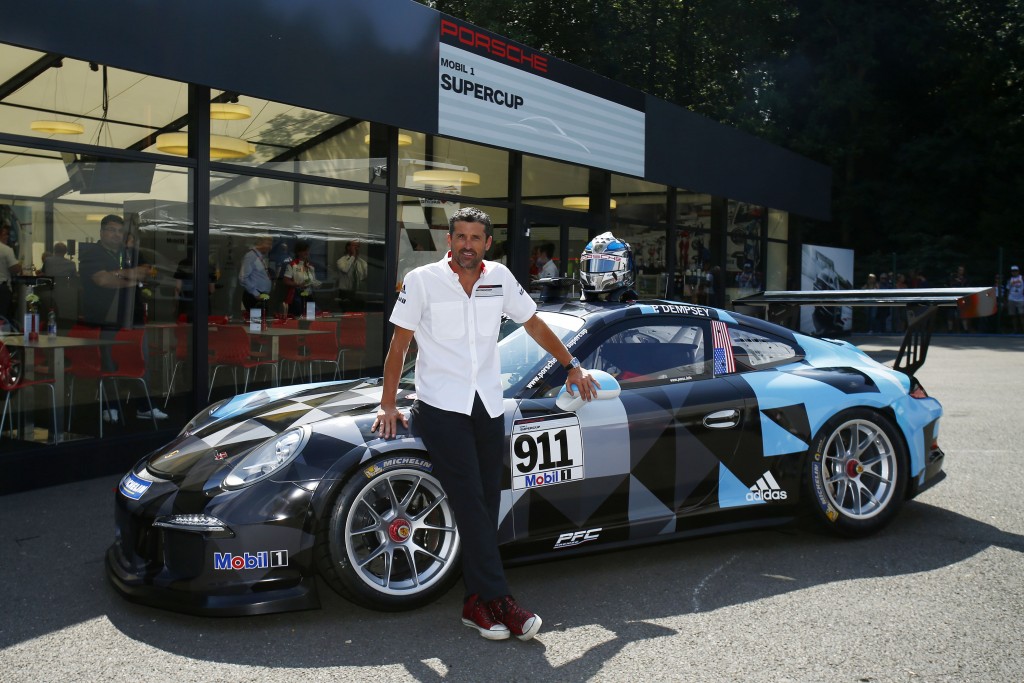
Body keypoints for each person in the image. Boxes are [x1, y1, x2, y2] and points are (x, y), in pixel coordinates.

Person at [373, 207, 599, 642]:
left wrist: (572, 365)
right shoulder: (422, 282)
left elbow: (533, 323)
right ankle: (501, 601)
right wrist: (387, 405)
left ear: (487, 243)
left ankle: (476, 603)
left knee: (486, 504)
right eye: (461, 237)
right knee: (471, 504)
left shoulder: (500, 278)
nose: (467, 245)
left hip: (487, 408)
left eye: (476, 238)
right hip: (440, 407)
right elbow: (399, 346)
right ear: (449, 241)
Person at [78, 214, 167, 421]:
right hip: (105, 320)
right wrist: (130, 277)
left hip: (133, 318)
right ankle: (111, 407)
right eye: (111, 230)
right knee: (109, 365)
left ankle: (144, 406)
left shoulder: (131, 252)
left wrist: (119, 274)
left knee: (139, 362)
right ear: (101, 232)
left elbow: (148, 272)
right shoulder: (92, 254)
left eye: (119, 231)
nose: (116, 234)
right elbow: (102, 280)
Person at [282, 240, 320, 316]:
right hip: (296, 296)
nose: (306, 253)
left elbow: (313, 280)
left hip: (309, 295)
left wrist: (316, 284)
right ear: (298, 252)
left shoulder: (310, 266)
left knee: (311, 316)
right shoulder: (292, 265)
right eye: (304, 251)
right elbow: (286, 281)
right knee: (297, 317)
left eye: (307, 250)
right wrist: (298, 284)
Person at [239, 235, 273, 313]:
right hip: (254, 297)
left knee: (261, 323)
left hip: (261, 296)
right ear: (260, 242)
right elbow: (243, 277)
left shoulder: (259, 256)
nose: (270, 247)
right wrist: (256, 293)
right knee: (256, 324)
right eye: (268, 243)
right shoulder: (250, 256)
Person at [0, 222, 23, 321]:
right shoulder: (6, 249)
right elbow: (15, 269)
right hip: (2, 288)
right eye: (6, 234)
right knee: (2, 317)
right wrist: (20, 264)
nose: (8, 237)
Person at [336, 240, 367, 309]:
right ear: (348, 247)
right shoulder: (341, 261)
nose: (356, 248)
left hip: (358, 292)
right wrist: (353, 256)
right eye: (354, 246)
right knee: (346, 315)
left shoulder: (363, 263)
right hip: (345, 293)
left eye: (358, 246)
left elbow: (364, 278)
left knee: (358, 315)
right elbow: (345, 270)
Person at [1006, 265, 1024, 334]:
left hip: (1021, 299)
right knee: (1013, 315)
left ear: (1018, 271)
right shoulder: (1010, 280)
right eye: (1013, 271)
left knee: (1022, 315)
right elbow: (1008, 289)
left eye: (1015, 271)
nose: (1014, 272)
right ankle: (1015, 330)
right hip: (1011, 298)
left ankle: (1023, 329)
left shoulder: (1022, 278)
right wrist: (1007, 299)